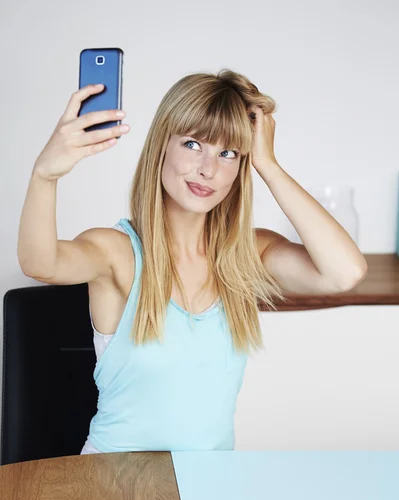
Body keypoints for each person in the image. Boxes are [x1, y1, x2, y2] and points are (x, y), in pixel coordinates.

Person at [17, 69, 367, 455]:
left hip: (209, 487)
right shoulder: (116, 252)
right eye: (193, 144)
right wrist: (44, 175)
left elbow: (345, 272)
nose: (208, 169)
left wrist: (267, 164)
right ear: (162, 146)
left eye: (228, 153)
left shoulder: (244, 256)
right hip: (111, 484)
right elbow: (40, 263)